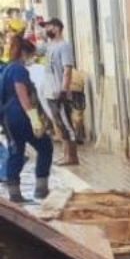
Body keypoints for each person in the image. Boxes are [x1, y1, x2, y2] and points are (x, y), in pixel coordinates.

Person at [1, 37, 53, 203]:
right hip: (19, 117)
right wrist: (35, 121)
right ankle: (40, 189)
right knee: (44, 146)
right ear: (24, 53)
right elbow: (23, 97)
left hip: (9, 118)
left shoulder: (8, 69)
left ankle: (15, 194)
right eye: (31, 55)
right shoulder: (19, 70)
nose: (32, 59)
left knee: (16, 151)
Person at [41, 19, 79, 166]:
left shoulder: (64, 46)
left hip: (59, 92)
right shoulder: (50, 46)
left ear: (57, 28)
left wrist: (64, 89)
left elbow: (67, 70)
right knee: (59, 124)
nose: (46, 29)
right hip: (50, 92)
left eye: (48, 27)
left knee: (66, 123)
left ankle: (72, 156)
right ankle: (65, 155)